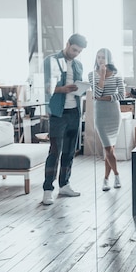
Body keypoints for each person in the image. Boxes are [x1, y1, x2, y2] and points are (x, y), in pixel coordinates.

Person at [42, 33, 88, 206]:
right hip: (57, 114)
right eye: (74, 49)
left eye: (79, 51)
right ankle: (48, 189)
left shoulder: (78, 65)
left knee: (69, 151)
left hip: (74, 112)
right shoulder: (51, 61)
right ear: (67, 44)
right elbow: (47, 88)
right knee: (55, 152)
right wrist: (63, 89)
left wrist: (80, 89)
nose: (76, 53)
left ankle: (64, 184)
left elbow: (78, 87)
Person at [88, 48, 126, 191]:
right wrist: (102, 76)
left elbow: (122, 95)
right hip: (101, 114)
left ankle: (105, 179)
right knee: (108, 148)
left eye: (103, 57)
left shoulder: (117, 74)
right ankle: (117, 175)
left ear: (109, 58)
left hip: (114, 114)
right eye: (98, 57)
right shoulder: (92, 75)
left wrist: (106, 98)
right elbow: (96, 93)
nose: (100, 60)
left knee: (109, 150)